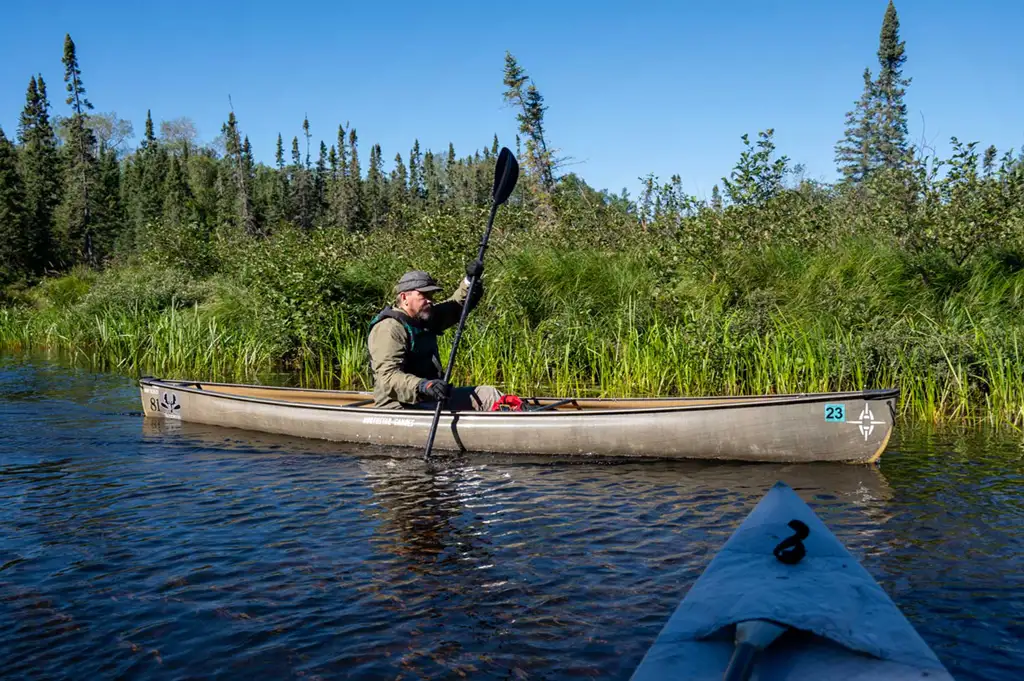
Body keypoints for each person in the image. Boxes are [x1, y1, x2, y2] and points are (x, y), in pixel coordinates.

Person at [367, 259, 505, 411]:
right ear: (405, 297)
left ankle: (517, 418)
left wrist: (470, 280)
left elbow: (457, 305)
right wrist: (424, 385)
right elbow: (387, 378)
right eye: (423, 295)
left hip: (431, 397)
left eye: (431, 295)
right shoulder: (389, 328)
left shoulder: (425, 317)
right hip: (399, 405)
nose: (429, 300)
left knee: (488, 394)